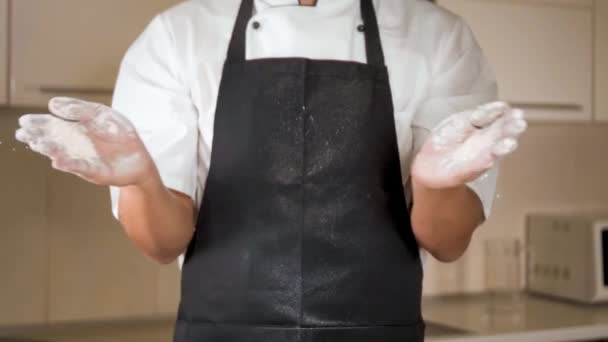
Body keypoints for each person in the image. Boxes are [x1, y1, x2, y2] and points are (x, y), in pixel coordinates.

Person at [15, 0, 527, 341]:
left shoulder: (436, 36)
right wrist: (141, 179)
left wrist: (437, 185)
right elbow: (163, 242)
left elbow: (447, 240)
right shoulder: (179, 35)